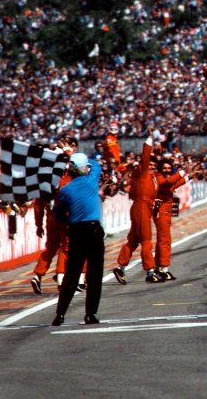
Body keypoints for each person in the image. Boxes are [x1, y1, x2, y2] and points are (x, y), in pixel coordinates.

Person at [51, 153, 104, 327]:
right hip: (93, 230)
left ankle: (60, 314)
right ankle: (90, 314)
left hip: (76, 231)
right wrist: (78, 155)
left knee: (72, 275)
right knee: (94, 275)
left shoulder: (66, 190)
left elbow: (58, 215)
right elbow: (96, 165)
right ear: (84, 168)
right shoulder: (91, 181)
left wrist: (70, 222)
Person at [113, 136, 163, 284]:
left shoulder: (154, 178)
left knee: (133, 241)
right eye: (151, 164)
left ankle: (120, 267)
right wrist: (149, 141)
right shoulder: (142, 172)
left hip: (144, 208)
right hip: (141, 207)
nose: (152, 166)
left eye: (155, 165)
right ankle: (150, 271)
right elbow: (145, 158)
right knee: (147, 240)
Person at [152, 158, 185, 281]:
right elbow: (167, 184)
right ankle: (164, 268)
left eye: (169, 168)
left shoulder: (166, 178)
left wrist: (188, 176)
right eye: (165, 168)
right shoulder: (158, 177)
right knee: (165, 240)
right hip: (161, 211)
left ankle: (157, 266)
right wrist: (181, 173)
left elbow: (173, 184)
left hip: (166, 211)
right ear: (160, 169)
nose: (167, 170)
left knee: (162, 239)